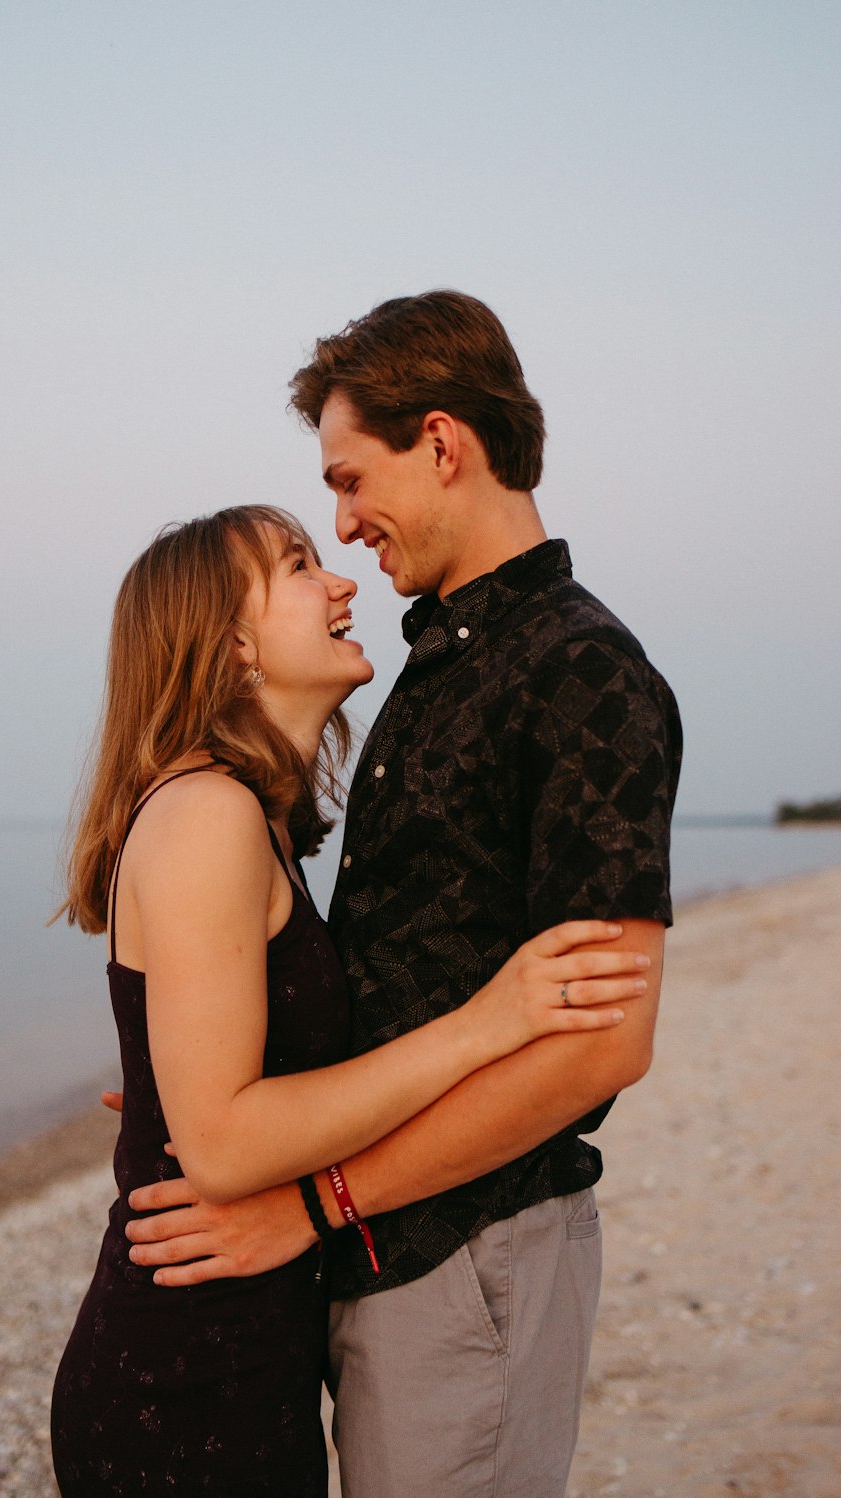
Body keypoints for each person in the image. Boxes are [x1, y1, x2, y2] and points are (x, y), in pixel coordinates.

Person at [117, 294, 682, 1498]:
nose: (344, 526)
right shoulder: (437, 664)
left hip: (466, 1246)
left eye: (348, 480)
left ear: (440, 441)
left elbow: (600, 1045)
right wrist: (237, 1054)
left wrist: (314, 1202)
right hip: (384, 1249)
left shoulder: (581, 673)